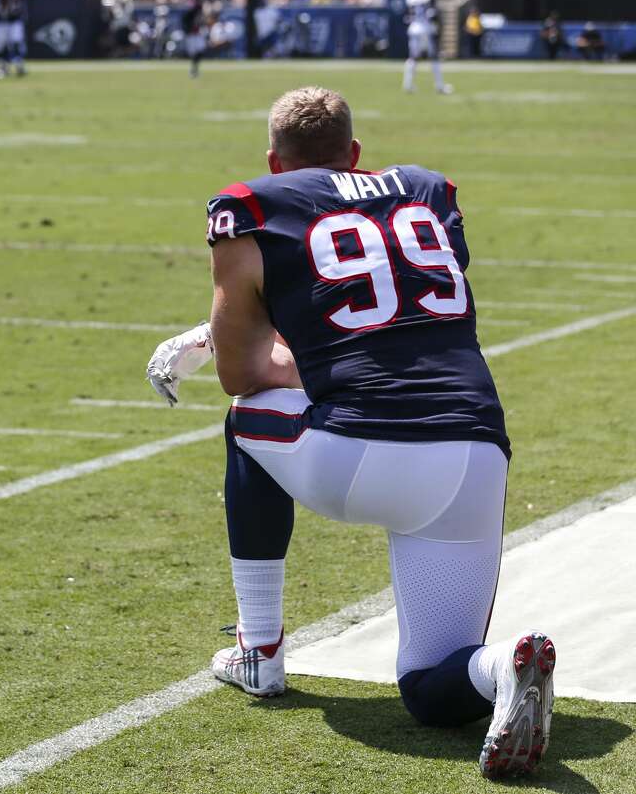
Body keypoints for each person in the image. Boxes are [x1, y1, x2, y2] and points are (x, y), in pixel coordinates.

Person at [146, 87, 555, 780]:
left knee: (245, 422)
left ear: (275, 160)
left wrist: (216, 338)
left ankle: (260, 650)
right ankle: (499, 666)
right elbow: (390, 331)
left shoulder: (253, 206)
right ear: (355, 154)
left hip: (360, 455)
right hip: (473, 453)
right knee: (431, 688)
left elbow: (244, 374)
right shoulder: (428, 191)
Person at [403, 0, 451, 93]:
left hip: (413, 29)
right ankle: (439, 86)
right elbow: (433, 15)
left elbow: (407, 17)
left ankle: (408, 85)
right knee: (434, 57)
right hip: (426, 29)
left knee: (412, 58)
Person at [182, 0, 206, 78]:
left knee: (200, 51)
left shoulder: (199, 8)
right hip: (191, 34)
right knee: (194, 53)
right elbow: (185, 20)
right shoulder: (190, 9)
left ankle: (194, 69)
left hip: (197, 34)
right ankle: (194, 70)